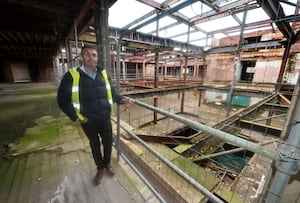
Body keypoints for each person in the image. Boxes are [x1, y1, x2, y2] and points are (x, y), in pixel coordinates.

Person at [57, 44, 131, 185]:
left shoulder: (103, 74)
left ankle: (107, 163)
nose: (91, 57)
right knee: (95, 145)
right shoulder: (72, 76)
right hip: (88, 120)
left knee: (108, 142)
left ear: (97, 58)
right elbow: (62, 100)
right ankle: (100, 168)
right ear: (81, 57)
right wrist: (76, 117)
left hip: (104, 117)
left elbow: (112, 94)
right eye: (87, 54)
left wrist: (122, 99)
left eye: (94, 55)